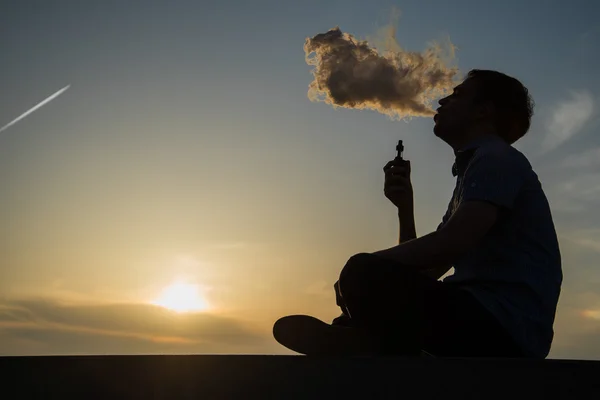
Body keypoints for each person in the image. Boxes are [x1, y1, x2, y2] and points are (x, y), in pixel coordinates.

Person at [273, 69, 563, 358]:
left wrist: (363, 267)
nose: (442, 102)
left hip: (502, 329)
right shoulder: (480, 169)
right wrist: (405, 208)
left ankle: (367, 342)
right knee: (366, 281)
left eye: (457, 95)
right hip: (490, 324)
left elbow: (448, 245)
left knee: (362, 271)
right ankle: (364, 339)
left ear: (483, 112)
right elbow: (426, 270)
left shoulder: (497, 158)